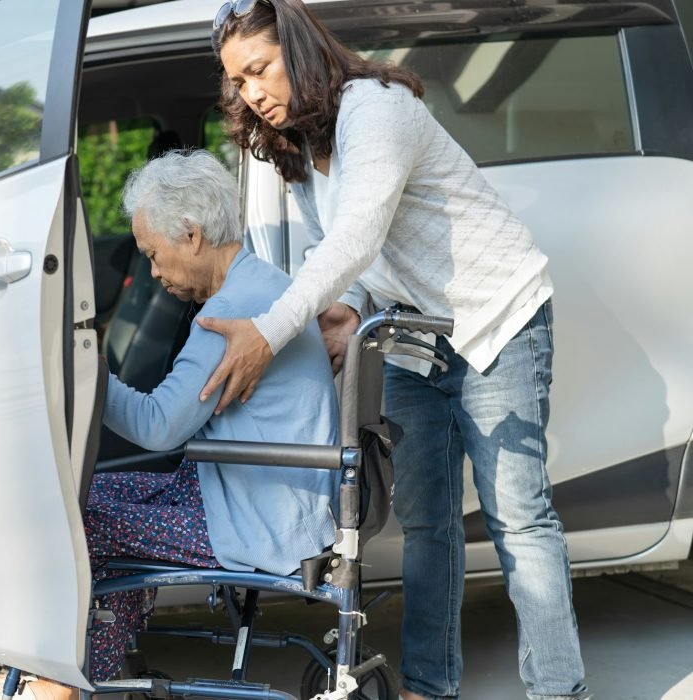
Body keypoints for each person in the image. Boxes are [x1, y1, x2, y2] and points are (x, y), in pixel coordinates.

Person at [205, 2, 589, 699]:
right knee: (427, 522)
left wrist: (269, 331)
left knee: (520, 518)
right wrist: (349, 311)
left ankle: (561, 691)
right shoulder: (304, 145)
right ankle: (428, 687)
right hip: (416, 333)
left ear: (298, 48)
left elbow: (355, 237)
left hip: (497, 318)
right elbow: (357, 257)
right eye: (239, 83)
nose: (252, 92)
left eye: (259, 69)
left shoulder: (373, 109)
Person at [0, 149, 340, 700]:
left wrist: (80, 367)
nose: (153, 271)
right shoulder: (262, 282)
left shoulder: (227, 314)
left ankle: (61, 683)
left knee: (73, 519)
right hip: (259, 497)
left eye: (154, 254)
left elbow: (159, 425)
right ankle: (102, 662)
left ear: (190, 234)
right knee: (86, 495)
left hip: (256, 520)